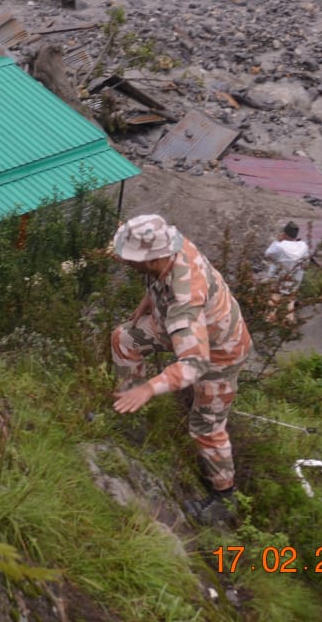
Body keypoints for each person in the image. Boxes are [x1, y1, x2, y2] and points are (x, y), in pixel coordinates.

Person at [109, 214, 253, 521]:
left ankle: (224, 498)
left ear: (149, 259)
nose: (123, 260)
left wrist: (149, 388)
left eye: (129, 256)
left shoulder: (184, 298)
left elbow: (194, 363)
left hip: (219, 353)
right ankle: (129, 416)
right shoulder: (169, 247)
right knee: (125, 339)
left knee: (205, 425)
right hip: (176, 324)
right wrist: (148, 300)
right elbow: (161, 279)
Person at [262, 221, 310, 325]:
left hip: (281, 277)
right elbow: (306, 262)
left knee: (275, 296)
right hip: (295, 278)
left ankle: (270, 319)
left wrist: (276, 242)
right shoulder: (303, 246)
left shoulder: (279, 246)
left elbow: (268, 253)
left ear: (284, 233)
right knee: (290, 297)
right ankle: (289, 319)